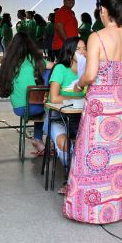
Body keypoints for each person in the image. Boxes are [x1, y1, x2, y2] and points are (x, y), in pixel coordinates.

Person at [64, 0, 122, 224]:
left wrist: (79, 84)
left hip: (101, 105)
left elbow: (90, 74)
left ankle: (89, 210)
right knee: (120, 158)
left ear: (103, 11)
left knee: (92, 155)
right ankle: (117, 209)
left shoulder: (96, 37)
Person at [0, 33, 53, 154]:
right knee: (51, 107)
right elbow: (52, 66)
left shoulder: (8, 61)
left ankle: (39, 141)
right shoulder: (32, 58)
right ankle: (53, 140)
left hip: (18, 107)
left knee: (43, 108)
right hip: (32, 106)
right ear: (30, 45)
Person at [44, 37, 86, 173]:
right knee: (64, 144)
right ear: (69, 52)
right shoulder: (60, 69)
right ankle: (72, 177)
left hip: (82, 118)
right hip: (56, 116)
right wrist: (76, 98)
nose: (83, 52)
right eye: (78, 49)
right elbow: (54, 98)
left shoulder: (88, 72)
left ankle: (82, 177)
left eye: (85, 48)